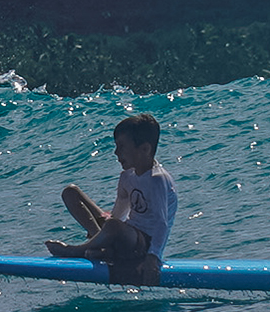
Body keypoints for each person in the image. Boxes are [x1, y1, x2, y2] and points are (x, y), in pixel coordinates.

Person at [48, 111, 177, 286]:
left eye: (122, 147)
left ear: (145, 149)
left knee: (113, 226)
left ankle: (76, 251)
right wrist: (106, 224)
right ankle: (100, 246)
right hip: (127, 234)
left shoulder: (157, 179)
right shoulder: (127, 176)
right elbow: (120, 212)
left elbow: (162, 224)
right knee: (71, 192)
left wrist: (153, 257)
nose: (116, 152)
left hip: (144, 244)